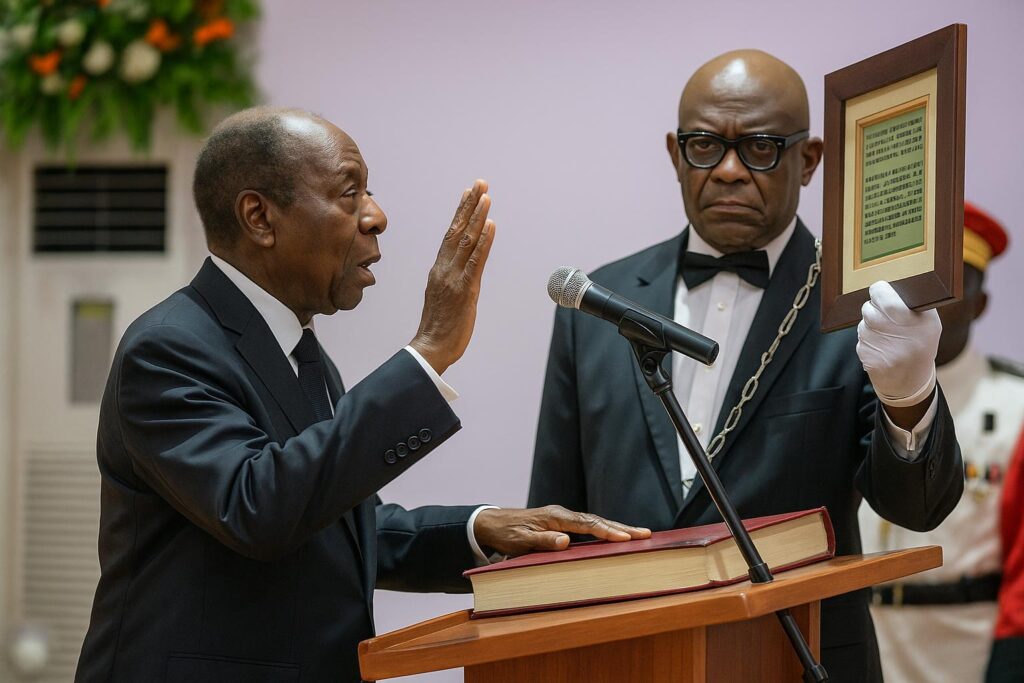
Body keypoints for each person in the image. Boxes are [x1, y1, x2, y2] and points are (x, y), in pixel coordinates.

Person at [75, 107, 649, 683]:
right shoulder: (169, 348)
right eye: (350, 194)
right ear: (259, 217)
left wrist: (478, 529)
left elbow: (331, 521)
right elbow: (258, 508)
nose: (376, 216)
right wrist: (428, 352)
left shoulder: (298, 350)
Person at [528, 50, 963, 682]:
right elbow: (554, 519)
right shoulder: (595, 303)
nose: (729, 171)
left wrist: (909, 397)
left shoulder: (862, 308)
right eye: (704, 145)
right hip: (623, 660)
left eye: (760, 148)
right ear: (676, 154)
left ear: (808, 160)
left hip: (798, 656)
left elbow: (919, 510)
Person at [860, 202, 1022, 682]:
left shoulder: (1015, 406)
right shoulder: (852, 394)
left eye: (945, 287)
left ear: (979, 302)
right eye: (912, 283)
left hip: (964, 647)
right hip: (859, 637)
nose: (922, 303)